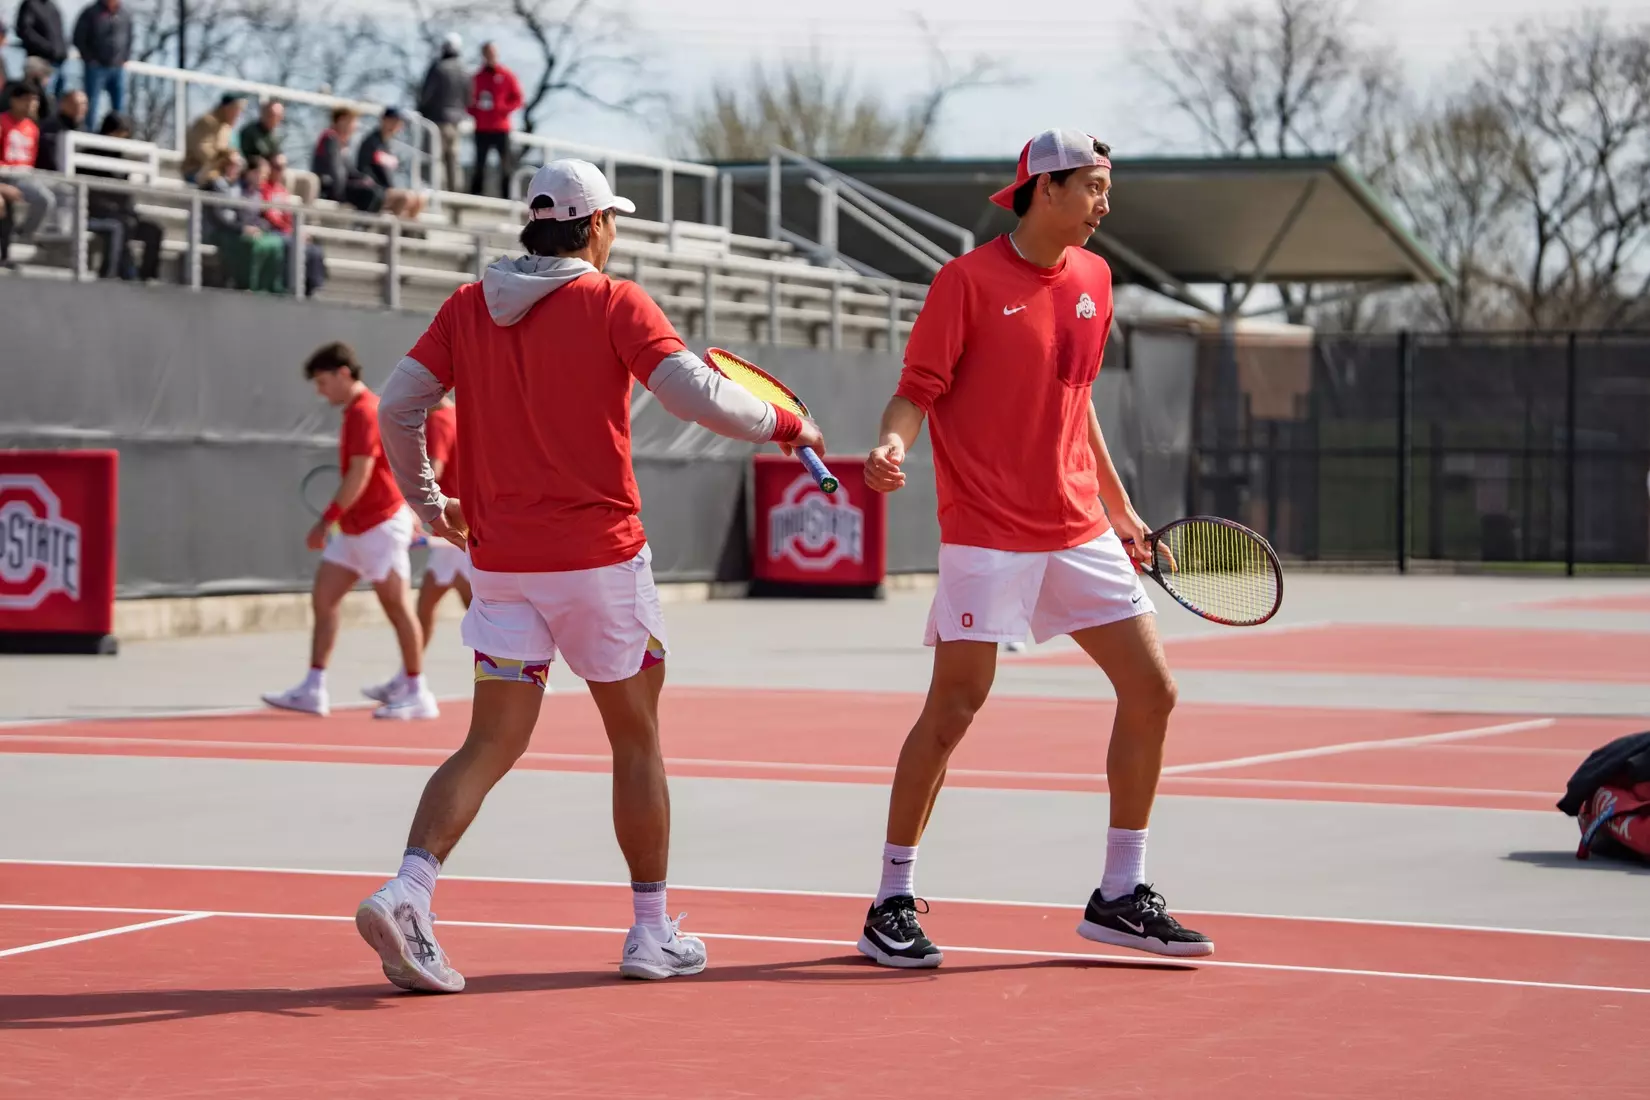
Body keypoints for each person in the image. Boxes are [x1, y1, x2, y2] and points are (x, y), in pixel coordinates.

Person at [357, 158, 824, 993]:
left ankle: (409, 890)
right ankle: (649, 934)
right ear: (597, 226)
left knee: (490, 740)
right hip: (600, 561)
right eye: (615, 221)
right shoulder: (614, 300)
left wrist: (431, 508)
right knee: (635, 738)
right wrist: (787, 423)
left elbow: (399, 406)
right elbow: (699, 397)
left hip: (501, 563)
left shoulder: (468, 306)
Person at [854, 130, 1214, 969]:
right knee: (954, 708)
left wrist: (1121, 510)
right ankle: (890, 900)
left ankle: (1121, 894)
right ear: (1043, 189)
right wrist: (892, 446)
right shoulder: (966, 283)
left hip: (1078, 526)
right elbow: (917, 392)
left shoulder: (1096, 279)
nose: (1104, 202)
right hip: (987, 530)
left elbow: (1076, 399)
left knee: (1153, 691)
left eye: (1106, 187)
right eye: (1092, 186)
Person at [262, 342, 438, 721]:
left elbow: (359, 474)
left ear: (344, 374)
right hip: (356, 530)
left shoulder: (364, 412)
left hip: (379, 527)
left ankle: (417, 691)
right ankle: (313, 688)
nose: (319, 391)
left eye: (323, 382)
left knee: (398, 608)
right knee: (324, 599)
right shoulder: (355, 412)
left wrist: (327, 520)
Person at [80, 110, 160, 281]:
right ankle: (112, 273)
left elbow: (125, 194)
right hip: (94, 213)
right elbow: (89, 194)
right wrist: (115, 209)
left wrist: (130, 210)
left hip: (121, 214)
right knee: (121, 225)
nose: (122, 139)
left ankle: (147, 276)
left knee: (153, 230)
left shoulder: (121, 159)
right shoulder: (88, 155)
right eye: (119, 133)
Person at [0, 82, 53, 255]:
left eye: (34, 100)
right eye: (26, 99)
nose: (31, 104)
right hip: (5, 175)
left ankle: (24, 235)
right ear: (14, 100)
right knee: (42, 198)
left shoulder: (32, 128)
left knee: (61, 193)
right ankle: (16, 239)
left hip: (26, 175)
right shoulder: (2, 122)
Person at [467, 41, 521, 197]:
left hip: (501, 128)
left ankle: (507, 197)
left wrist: (503, 109)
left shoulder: (506, 75)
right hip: (482, 127)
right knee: (479, 164)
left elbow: (517, 98)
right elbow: (468, 100)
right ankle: (476, 195)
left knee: (505, 165)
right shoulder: (477, 77)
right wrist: (476, 112)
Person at [416, 32, 467, 192]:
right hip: (456, 122)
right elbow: (469, 98)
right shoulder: (465, 70)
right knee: (453, 160)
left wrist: (422, 110)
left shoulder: (438, 68)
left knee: (433, 158)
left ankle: (434, 192)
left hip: (436, 120)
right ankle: (454, 194)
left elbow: (426, 95)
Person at [355, 107, 426, 221]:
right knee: (405, 197)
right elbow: (364, 170)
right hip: (375, 190)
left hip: (391, 188)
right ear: (383, 120)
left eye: (398, 122)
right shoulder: (371, 142)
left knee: (419, 199)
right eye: (392, 121)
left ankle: (407, 233)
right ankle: (390, 232)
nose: (395, 125)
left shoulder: (391, 147)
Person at [311, 106, 384, 214]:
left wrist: (365, 179)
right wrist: (339, 192)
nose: (355, 126)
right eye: (353, 122)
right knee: (368, 194)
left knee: (377, 192)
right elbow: (334, 170)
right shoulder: (329, 138)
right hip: (330, 187)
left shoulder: (341, 142)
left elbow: (349, 170)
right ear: (342, 120)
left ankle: (365, 226)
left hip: (341, 185)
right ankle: (361, 227)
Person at [71, 0, 130, 126]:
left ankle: (118, 133)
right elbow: (78, 37)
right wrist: (89, 58)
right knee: (92, 104)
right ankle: (89, 135)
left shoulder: (124, 14)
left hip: (117, 67)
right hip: (96, 67)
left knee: (119, 106)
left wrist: (125, 58)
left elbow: (129, 37)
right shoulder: (91, 12)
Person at [181, 92, 244, 184]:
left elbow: (228, 150)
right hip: (197, 171)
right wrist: (225, 159)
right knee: (220, 186)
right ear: (227, 108)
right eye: (237, 110)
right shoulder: (207, 122)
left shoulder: (227, 128)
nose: (238, 115)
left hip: (220, 173)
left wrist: (233, 156)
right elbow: (202, 150)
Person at [14, 0, 68, 98]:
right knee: (41, 97)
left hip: (59, 61)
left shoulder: (53, 7)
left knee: (57, 99)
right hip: (40, 61)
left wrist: (63, 51)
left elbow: (59, 34)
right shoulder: (30, 4)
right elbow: (24, 30)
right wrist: (47, 48)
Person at [31, 84, 80, 171]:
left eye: (83, 104)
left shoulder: (83, 130)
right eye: (75, 103)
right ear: (63, 104)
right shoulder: (48, 127)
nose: (79, 108)